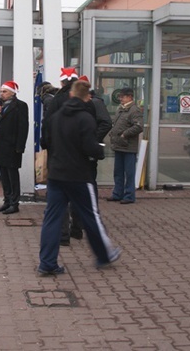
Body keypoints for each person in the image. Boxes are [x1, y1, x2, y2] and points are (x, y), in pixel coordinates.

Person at [38, 80, 121, 275]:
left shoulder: (56, 116)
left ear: (70, 94)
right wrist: (100, 151)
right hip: (79, 175)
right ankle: (104, 254)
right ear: (86, 97)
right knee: (90, 216)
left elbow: (47, 139)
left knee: (52, 218)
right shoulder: (85, 118)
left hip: (57, 173)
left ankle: (47, 263)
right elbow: (90, 147)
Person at [60, 75, 112, 245]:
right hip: (75, 157)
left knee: (88, 189)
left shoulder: (94, 104)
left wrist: (93, 140)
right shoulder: (67, 109)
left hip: (85, 156)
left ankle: (87, 226)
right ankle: (79, 226)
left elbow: (105, 123)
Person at [0, 80, 29, 215]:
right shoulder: (0, 106)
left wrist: (20, 146)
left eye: (4, 92)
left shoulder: (20, 106)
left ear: (13, 92)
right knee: (3, 175)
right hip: (0, 145)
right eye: (1, 91)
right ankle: (7, 200)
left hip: (12, 146)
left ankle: (14, 203)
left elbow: (23, 128)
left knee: (12, 175)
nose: (2, 94)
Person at [106, 87, 143, 204]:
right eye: (120, 97)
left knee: (129, 173)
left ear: (130, 97)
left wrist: (124, 134)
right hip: (119, 146)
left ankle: (129, 196)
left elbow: (138, 126)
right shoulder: (121, 109)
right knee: (118, 172)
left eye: (123, 96)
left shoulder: (134, 110)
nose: (121, 99)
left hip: (128, 147)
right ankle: (117, 193)